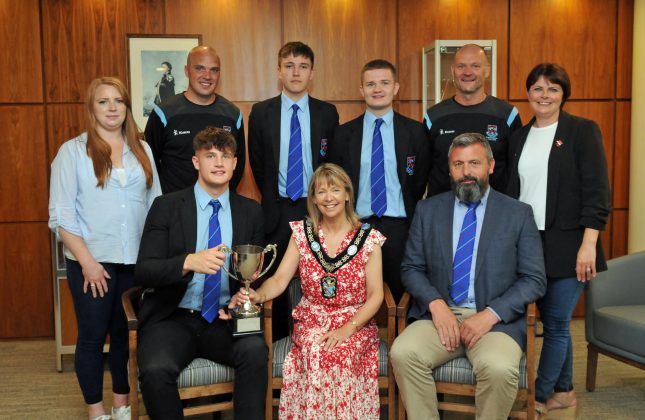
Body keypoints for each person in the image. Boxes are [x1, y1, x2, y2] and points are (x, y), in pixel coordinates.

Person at [390, 133, 546, 420]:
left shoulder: (518, 214)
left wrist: (490, 314)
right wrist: (436, 305)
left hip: (496, 321)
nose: (466, 172)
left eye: (474, 163)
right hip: (439, 317)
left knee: (498, 369)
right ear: (449, 169)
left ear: (490, 166)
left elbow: (534, 279)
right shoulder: (428, 210)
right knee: (403, 352)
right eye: (458, 164)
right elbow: (411, 268)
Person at [230, 163, 385, 419]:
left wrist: (348, 328)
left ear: (347, 194)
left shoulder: (369, 238)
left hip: (355, 323)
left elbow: (376, 294)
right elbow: (280, 280)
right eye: (321, 192)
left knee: (341, 358)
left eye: (335, 190)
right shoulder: (301, 234)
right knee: (317, 353)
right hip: (312, 321)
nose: (328, 198)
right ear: (313, 198)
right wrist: (257, 295)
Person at [48, 77, 161, 420]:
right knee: (93, 338)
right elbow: (61, 217)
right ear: (91, 108)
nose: (112, 107)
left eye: (119, 101)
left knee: (126, 339)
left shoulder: (143, 150)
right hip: (91, 264)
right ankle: (97, 412)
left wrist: (154, 260)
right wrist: (88, 263)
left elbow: (156, 207)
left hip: (135, 264)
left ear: (127, 107)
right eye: (103, 101)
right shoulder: (72, 152)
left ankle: (121, 407)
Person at [134, 127, 267, 420]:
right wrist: (188, 262)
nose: (218, 163)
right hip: (173, 317)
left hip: (224, 318)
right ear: (196, 162)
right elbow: (144, 270)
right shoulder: (166, 206)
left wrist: (245, 295)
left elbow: (254, 274)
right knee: (155, 371)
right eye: (210, 156)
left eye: (226, 156)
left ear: (235, 164)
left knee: (255, 352)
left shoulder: (251, 212)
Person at [506, 63, 611, 418]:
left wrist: (589, 245)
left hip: (572, 242)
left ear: (564, 94)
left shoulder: (582, 131)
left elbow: (597, 192)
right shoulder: (519, 137)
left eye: (552, 89)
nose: (544, 95)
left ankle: (539, 394)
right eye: (537, 88)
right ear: (528, 93)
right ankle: (564, 392)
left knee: (556, 322)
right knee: (551, 323)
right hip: (530, 240)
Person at [248, 41, 339, 341]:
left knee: (320, 278)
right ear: (279, 71)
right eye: (289, 65)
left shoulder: (328, 113)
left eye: (302, 66)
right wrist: (274, 199)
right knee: (275, 278)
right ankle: (276, 346)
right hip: (277, 208)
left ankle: (316, 340)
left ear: (312, 73)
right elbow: (258, 163)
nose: (295, 72)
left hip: (317, 209)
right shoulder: (261, 113)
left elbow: (330, 163)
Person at [329, 59, 430, 301]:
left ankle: (403, 338)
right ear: (361, 90)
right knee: (354, 295)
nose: (377, 89)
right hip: (356, 225)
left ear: (396, 87)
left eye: (384, 83)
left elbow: (420, 179)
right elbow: (336, 183)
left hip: (400, 226)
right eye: (371, 84)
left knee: (401, 294)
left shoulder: (415, 132)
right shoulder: (343, 134)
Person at [145, 46, 245, 194]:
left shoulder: (232, 114)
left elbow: (238, 165)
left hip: (218, 207)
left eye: (214, 70)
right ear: (187, 71)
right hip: (175, 208)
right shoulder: (164, 113)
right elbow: (148, 164)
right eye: (200, 68)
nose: (207, 76)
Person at [425, 43, 521, 196]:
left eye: (475, 66)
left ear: (487, 70)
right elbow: (422, 171)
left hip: (494, 213)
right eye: (461, 66)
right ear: (452, 71)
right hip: (444, 213)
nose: (467, 72)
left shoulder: (507, 115)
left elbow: (516, 172)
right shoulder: (433, 116)